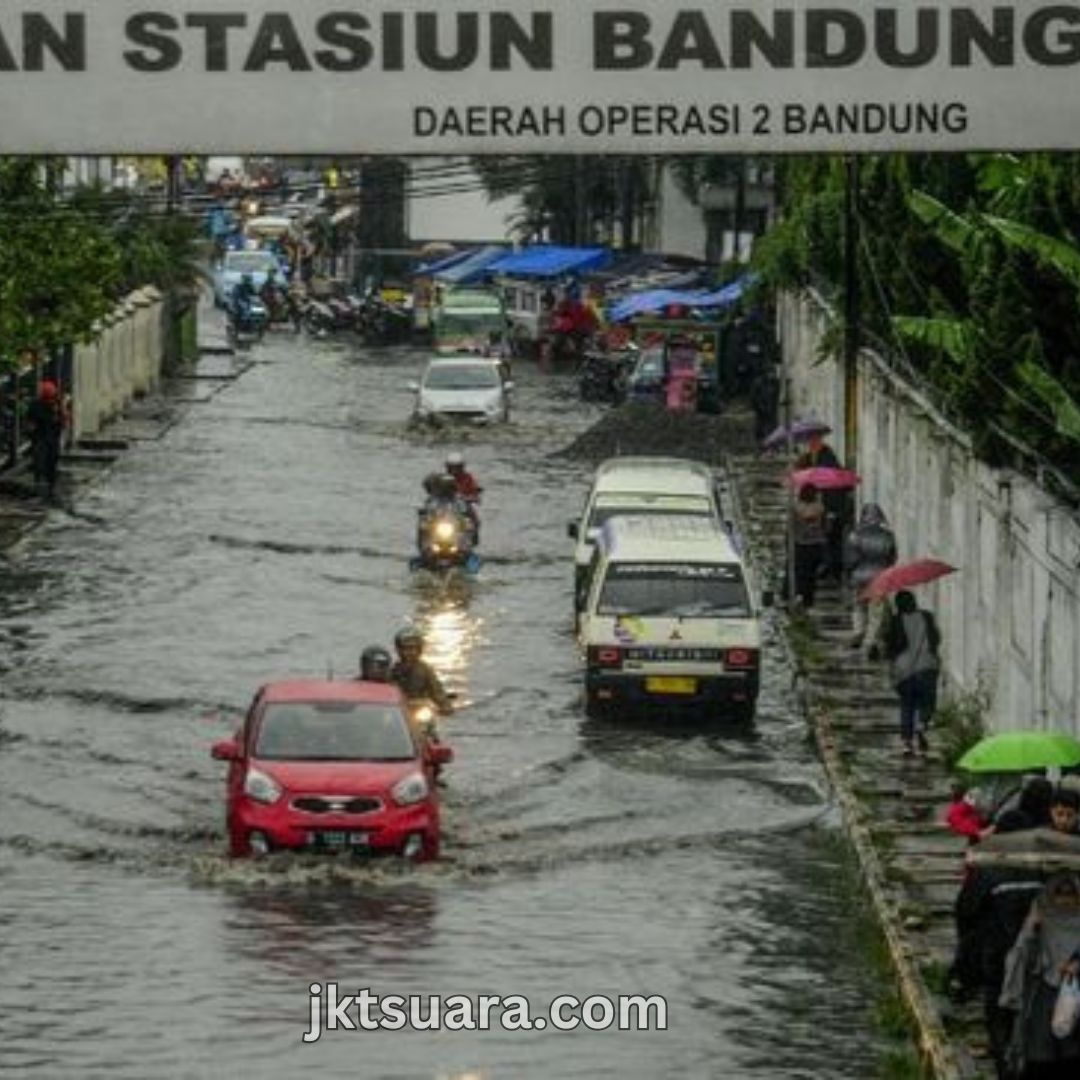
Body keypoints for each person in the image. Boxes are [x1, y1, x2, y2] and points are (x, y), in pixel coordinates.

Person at [884, 590, 941, 758]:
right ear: (914, 601)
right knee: (927, 702)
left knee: (907, 705)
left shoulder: (895, 621)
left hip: (904, 670)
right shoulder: (927, 617)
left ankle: (907, 744)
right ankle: (922, 725)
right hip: (927, 666)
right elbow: (936, 639)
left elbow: (890, 646)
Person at [844, 503, 898, 658]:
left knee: (859, 606)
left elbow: (850, 559)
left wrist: (852, 573)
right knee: (876, 611)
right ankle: (870, 641)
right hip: (880, 577)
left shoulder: (855, 535)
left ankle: (859, 632)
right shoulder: (888, 536)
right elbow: (892, 557)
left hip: (860, 576)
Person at [797, 432, 847, 580]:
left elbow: (832, 488)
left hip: (832, 508)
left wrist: (832, 511)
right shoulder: (819, 458)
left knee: (832, 541)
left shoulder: (826, 461)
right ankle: (829, 569)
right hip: (828, 507)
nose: (809, 446)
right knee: (829, 540)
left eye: (812, 442)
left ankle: (833, 571)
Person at [390, 628, 452, 714]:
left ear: (419, 650)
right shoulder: (393, 671)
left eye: (412, 648)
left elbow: (437, 692)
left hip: (419, 713)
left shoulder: (425, 671)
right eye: (405, 649)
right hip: (399, 713)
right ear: (398, 650)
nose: (409, 653)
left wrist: (444, 706)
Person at [790, 483, 827, 610]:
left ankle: (800, 594)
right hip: (816, 544)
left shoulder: (796, 507)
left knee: (801, 571)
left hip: (800, 543)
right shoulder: (820, 507)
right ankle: (809, 598)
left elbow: (792, 526)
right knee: (812, 573)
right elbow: (824, 526)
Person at [26, 380, 66, 498]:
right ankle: (38, 486)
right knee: (39, 463)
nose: (50, 401)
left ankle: (50, 487)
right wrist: (32, 431)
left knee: (52, 463)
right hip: (40, 437)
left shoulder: (57, 404)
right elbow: (30, 422)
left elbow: (63, 421)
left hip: (53, 438)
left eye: (52, 397)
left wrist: (59, 416)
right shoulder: (35, 405)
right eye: (48, 398)